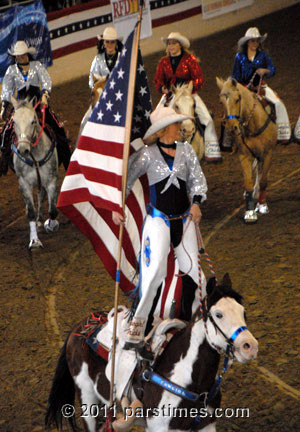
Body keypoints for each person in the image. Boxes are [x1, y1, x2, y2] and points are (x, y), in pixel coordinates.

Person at [113, 106, 208, 359]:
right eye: (176, 124)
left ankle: (189, 323)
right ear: (165, 130)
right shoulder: (147, 155)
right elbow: (126, 179)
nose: (180, 127)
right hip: (158, 221)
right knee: (155, 272)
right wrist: (117, 206)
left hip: (184, 220)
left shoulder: (186, 151)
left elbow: (197, 181)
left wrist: (197, 202)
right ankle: (137, 332)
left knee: (194, 274)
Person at [0, 40, 71, 170]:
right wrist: (4, 107)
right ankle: (4, 160)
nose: (20, 58)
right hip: (20, 107)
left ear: (27, 54)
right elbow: (7, 89)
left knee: (57, 126)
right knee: (7, 131)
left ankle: (67, 159)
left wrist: (45, 94)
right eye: (18, 56)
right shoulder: (11, 70)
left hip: (38, 104)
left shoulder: (37, 66)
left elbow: (46, 81)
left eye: (22, 55)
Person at [154, 32, 221, 163]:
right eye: (169, 44)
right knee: (154, 119)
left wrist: (189, 88)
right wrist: (163, 88)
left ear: (180, 45)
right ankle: (156, 151)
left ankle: (211, 151)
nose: (171, 46)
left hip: (188, 93)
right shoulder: (163, 62)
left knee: (207, 119)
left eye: (174, 43)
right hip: (171, 94)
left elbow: (199, 78)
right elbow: (158, 80)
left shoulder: (189, 59)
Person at [231, 26, 291, 144]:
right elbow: (235, 75)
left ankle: (283, 135)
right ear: (247, 42)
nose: (255, 43)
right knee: (230, 109)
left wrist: (265, 70)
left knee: (279, 104)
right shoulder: (239, 57)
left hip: (260, 86)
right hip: (244, 88)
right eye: (253, 40)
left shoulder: (263, 55)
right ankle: (229, 139)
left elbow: (272, 69)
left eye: (257, 41)